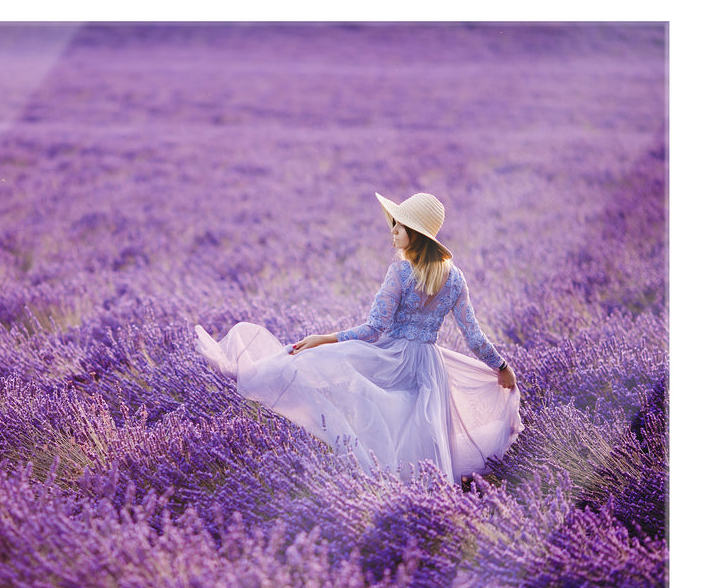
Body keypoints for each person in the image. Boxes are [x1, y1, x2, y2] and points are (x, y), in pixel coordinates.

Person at [195, 192, 522, 485]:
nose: (392, 232)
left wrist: (323, 339)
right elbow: (474, 335)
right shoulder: (454, 278)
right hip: (428, 365)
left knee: (314, 365)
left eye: (399, 226)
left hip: (391, 357)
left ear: (416, 234)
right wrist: (501, 367)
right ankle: (421, 494)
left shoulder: (400, 272)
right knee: (418, 430)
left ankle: (248, 371)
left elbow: (372, 330)